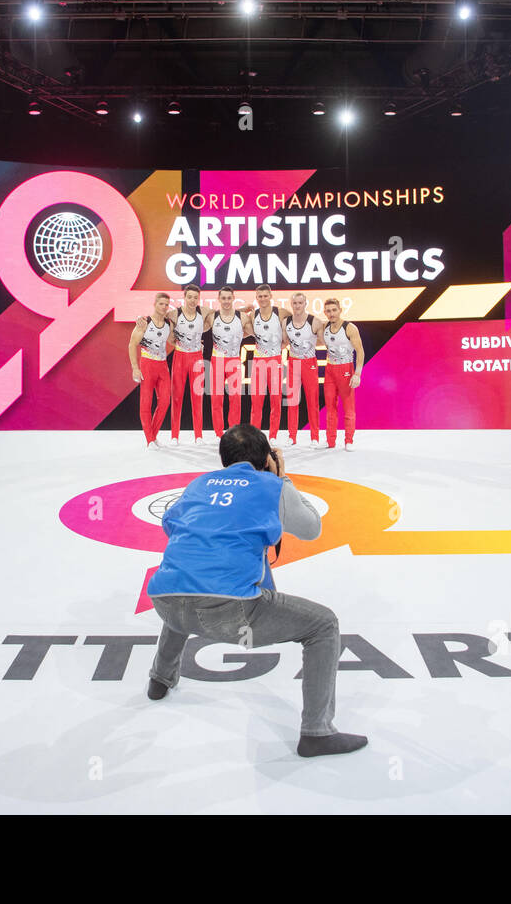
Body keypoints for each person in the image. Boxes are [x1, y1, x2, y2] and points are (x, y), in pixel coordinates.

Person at [145, 423, 368, 758]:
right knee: (324, 624)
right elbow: (311, 528)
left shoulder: (198, 485)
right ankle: (317, 732)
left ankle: (159, 678)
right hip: (228, 611)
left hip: (163, 601)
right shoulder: (270, 486)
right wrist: (283, 479)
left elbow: (169, 524)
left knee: (187, 580)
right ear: (266, 458)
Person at [128, 292, 173, 448]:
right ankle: (149, 439)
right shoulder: (144, 323)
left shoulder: (169, 324)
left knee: (165, 401)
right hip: (147, 365)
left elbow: (173, 340)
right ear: (155, 304)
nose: (164, 307)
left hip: (162, 366)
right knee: (146, 404)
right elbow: (132, 344)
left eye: (166, 304)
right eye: (161, 304)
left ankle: (152, 436)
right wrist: (135, 368)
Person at [321, 298, 363, 450]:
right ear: (325, 313)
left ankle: (349, 440)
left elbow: (360, 351)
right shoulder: (325, 327)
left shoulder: (350, 328)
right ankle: (330, 441)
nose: (331, 313)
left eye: (334, 310)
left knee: (348, 407)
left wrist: (357, 374)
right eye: (328, 311)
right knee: (330, 407)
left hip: (346, 369)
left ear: (340, 310)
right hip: (330, 369)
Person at [167, 282, 207, 445]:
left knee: (197, 397)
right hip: (180, 357)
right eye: (189, 297)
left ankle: (198, 435)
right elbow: (166, 333)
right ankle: (174, 436)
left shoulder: (203, 312)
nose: (192, 300)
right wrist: (176, 343)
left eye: (195, 297)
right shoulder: (174, 314)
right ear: (184, 297)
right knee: (177, 397)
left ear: (199, 299)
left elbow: (225, 314)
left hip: (196, 358)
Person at [204, 287, 247, 437]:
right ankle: (218, 432)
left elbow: (256, 332)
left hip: (234, 360)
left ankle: (233, 430)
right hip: (217, 360)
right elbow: (196, 329)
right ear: (219, 299)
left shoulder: (243, 317)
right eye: (224, 298)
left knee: (235, 397)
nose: (227, 301)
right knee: (217, 398)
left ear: (233, 298)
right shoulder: (212, 317)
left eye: (229, 298)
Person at [284, 292, 323, 448]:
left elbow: (323, 341)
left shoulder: (315, 321)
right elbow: (284, 342)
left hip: (309, 364)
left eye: (300, 303)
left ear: (305, 304)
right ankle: (292, 436)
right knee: (292, 400)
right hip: (293, 362)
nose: (297, 306)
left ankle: (315, 437)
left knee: (312, 401)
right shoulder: (286, 322)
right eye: (295, 303)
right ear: (291, 304)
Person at [248, 284, 285, 441]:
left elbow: (295, 321)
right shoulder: (252, 315)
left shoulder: (280, 312)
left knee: (275, 400)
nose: (263, 299)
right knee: (256, 400)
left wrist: (285, 343)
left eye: (265, 296)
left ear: (271, 296)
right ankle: (255, 435)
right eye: (260, 296)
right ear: (257, 298)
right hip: (258, 361)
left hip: (275, 360)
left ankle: (273, 435)